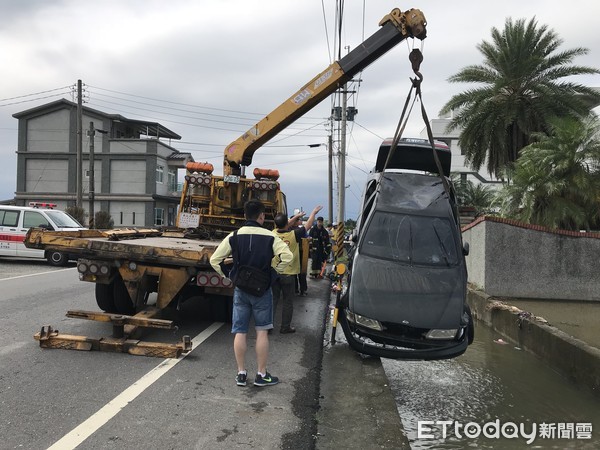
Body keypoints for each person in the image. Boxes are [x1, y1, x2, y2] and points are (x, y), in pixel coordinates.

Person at [210, 200, 293, 388]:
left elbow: (215, 260)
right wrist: (274, 273)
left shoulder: (235, 235)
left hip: (241, 290)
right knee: (262, 331)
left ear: (245, 216)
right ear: (261, 216)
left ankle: (241, 373)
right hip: (262, 290)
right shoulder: (270, 236)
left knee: (239, 331)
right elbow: (288, 256)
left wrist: (231, 276)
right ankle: (261, 375)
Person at [271, 205, 322, 333]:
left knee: (273, 301)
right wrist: (313, 213)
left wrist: (296, 217)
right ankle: (285, 327)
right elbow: (308, 225)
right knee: (288, 301)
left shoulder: (272, 234)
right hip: (288, 274)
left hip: (274, 272)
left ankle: (268, 327)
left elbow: (282, 224)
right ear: (286, 224)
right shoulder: (293, 235)